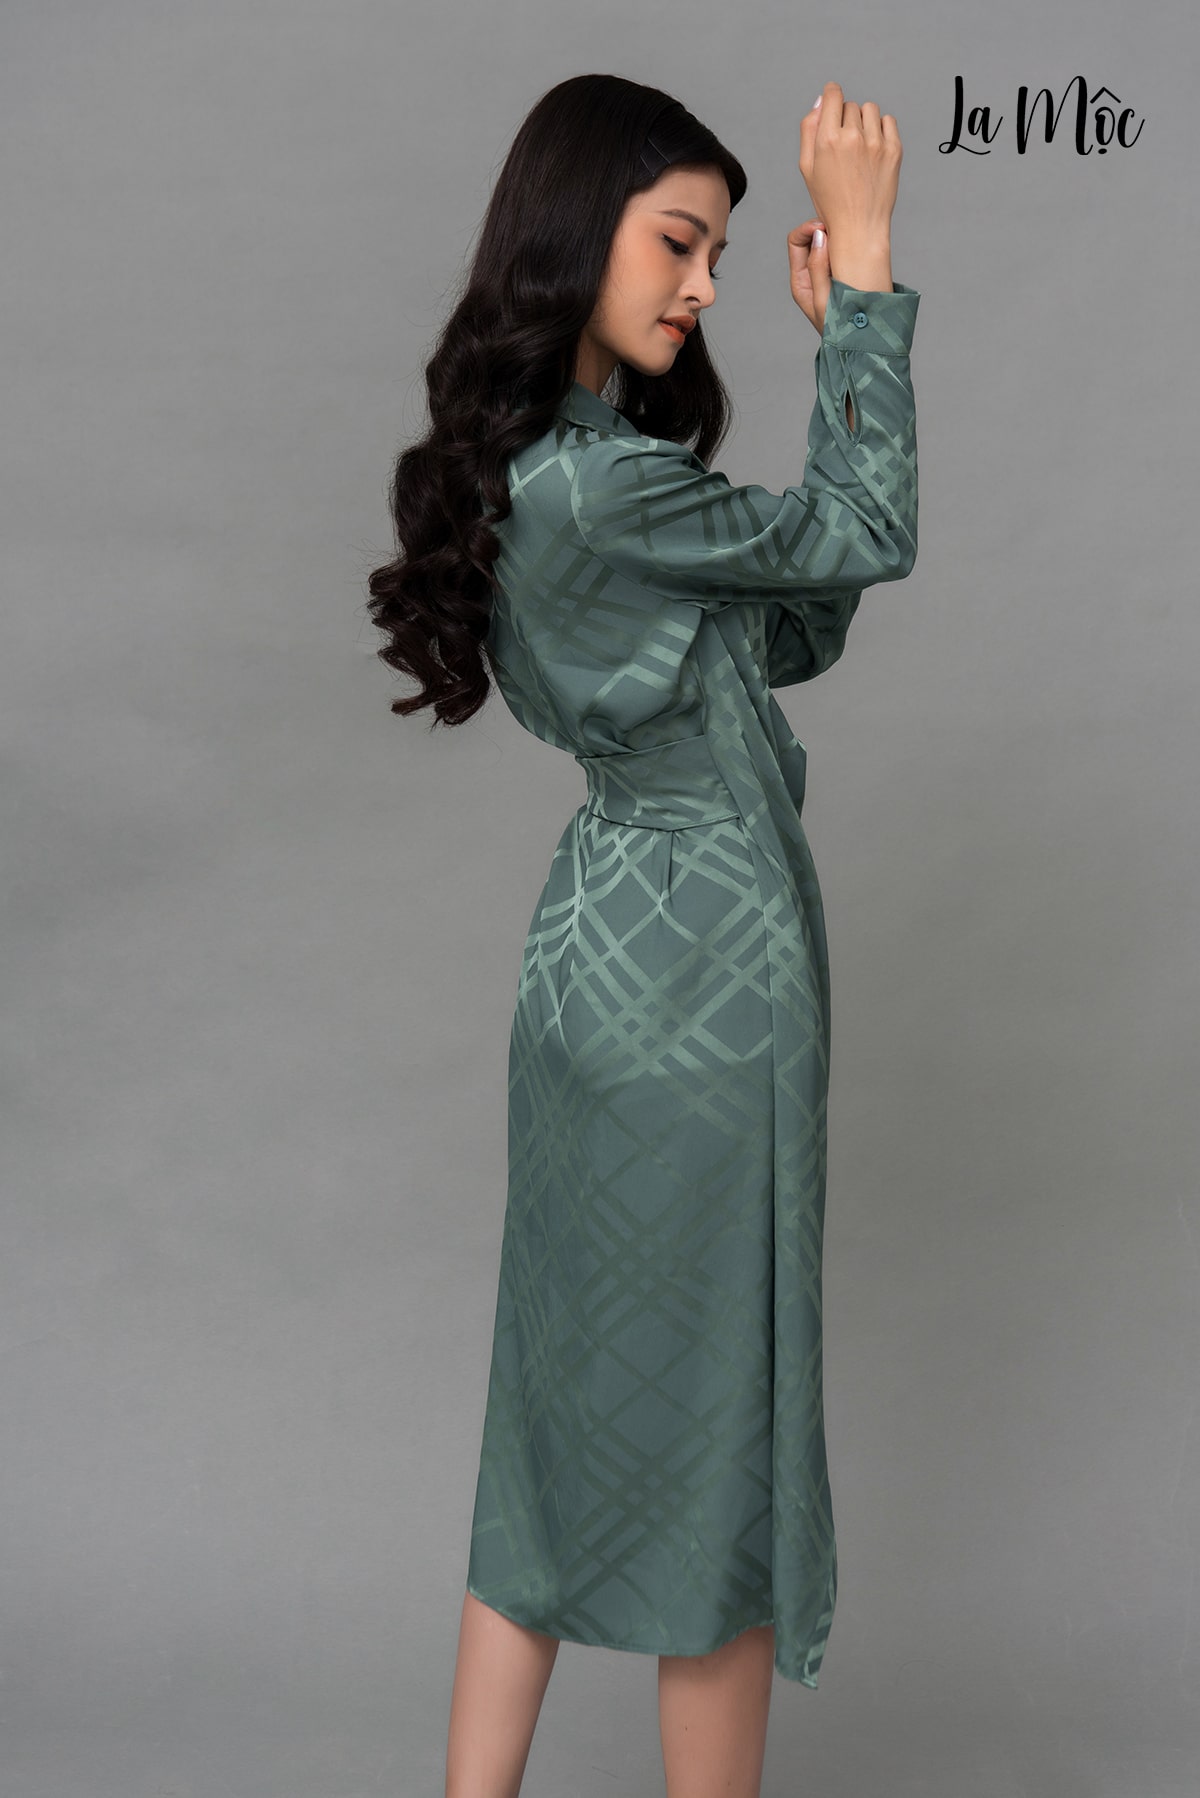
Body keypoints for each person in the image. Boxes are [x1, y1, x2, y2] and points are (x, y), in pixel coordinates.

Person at [366, 70, 919, 1798]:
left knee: (549, 1432)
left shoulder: (565, 477)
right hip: (700, 983)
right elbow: (870, 532)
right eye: (678, 242)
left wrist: (829, 365)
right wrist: (870, 281)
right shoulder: (601, 489)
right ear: (572, 228)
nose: (703, 283)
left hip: (607, 956)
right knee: (719, 1449)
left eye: (718, 253)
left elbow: (800, 621)